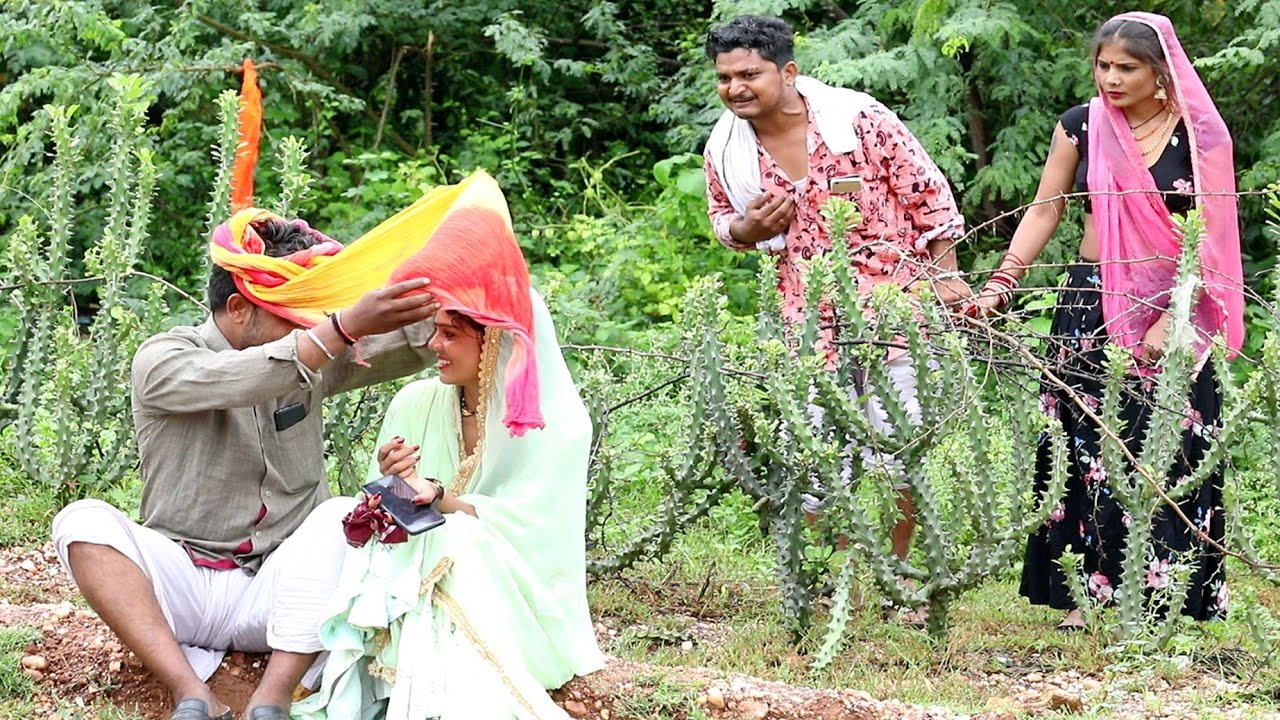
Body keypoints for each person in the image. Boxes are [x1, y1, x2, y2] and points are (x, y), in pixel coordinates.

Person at [51, 214, 441, 720]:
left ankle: (272, 698)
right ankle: (190, 692)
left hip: (277, 593)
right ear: (238, 308)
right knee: (81, 520)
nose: (308, 328)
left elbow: (412, 338)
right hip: (181, 583)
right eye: (293, 315)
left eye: (313, 317)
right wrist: (338, 329)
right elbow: (241, 375)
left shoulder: (311, 354)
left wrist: (465, 270)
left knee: (341, 514)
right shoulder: (164, 358)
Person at [973, 12, 1243, 630]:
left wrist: (1175, 318)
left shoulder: (1201, 137)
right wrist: (1002, 281)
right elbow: (1046, 212)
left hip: (1175, 304)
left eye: (1128, 67)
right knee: (1088, 444)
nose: (1112, 78)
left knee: (1170, 445)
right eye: (1104, 65)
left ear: (1161, 71)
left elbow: (1214, 240)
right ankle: (1088, 590)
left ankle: (1169, 593)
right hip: (1090, 304)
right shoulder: (1082, 127)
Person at [291, 190, 603, 718]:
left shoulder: (562, 425)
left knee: (453, 537)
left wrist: (440, 500)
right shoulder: (414, 403)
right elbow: (380, 524)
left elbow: (537, 533)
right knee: (415, 538)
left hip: (524, 595)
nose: (434, 345)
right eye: (435, 330)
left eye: (451, 334)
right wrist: (391, 487)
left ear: (496, 344)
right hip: (425, 570)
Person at [701, 14, 970, 579]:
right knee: (820, 452)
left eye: (749, 74)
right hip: (807, 323)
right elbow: (723, 222)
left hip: (898, 310)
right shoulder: (726, 148)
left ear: (789, 71)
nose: (735, 88)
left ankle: (892, 573)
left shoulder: (859, 120)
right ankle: (837, 577)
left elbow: (930, 196)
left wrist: (946, 279)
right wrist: (747, 231)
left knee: (898, 445)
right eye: (725, 78)